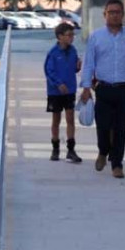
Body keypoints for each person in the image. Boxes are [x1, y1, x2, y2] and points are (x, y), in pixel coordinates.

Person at [79, 0, 125, 179]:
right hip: (103, 88)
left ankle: (117, 164)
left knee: (120, 128)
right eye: (111, 12)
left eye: (118, 12)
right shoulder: (96, 36)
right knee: (103, 126)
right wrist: (86, 87)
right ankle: (103, 151)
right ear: (105, 15)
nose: (114, 15)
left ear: (122, 15)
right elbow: (88, 64)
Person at [45, 23, 83, 163]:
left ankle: (71, 150)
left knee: (70, 119)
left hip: (70, 90)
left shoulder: (73, 51)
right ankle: (55, 149)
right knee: (56, 120)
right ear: (60, 37)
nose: (72, 37)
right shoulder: (53, 53)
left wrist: (77, 67)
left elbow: (72, 69)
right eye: (69, 35)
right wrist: (58, 83)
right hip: (55, 92)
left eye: (73, 35)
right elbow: (49, 71)